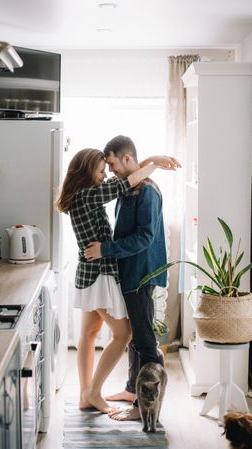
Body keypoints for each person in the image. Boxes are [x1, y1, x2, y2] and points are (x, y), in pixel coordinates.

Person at [56, 148, 179, 414]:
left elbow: (124, 179)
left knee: (88, 335)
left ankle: (84, 395)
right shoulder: (87, 195)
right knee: (123, 334)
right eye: (101, 170)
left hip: (89, 274)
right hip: (98, 276)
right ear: (86, 171)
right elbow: (124, 182)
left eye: (106, 169)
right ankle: (94, 392)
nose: (104, 175)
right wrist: (154, 163)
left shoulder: (81, 195)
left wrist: (148, 161)